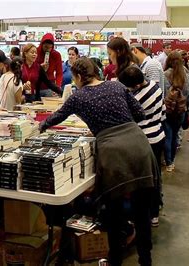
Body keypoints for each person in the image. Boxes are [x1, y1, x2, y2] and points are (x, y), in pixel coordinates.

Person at [40, 58, 157, 266]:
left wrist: (40, 127)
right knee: (142, 211)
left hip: (113, 153)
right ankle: (146, 260)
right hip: (140, 146)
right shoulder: (117, 85)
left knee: (115, 214)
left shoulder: (79, 96)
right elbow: (139, 113)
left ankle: (115, 261)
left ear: (77, 77)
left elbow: (57, 117)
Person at [118, 66, 166, 227]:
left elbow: (127, 119)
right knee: (155, 177)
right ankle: (154, 212)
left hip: (145, 141)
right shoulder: (155, 86)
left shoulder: (138, 97)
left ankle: (147, 214)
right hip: (158, 135)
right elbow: (163, 112)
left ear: (136, 86)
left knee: (143, 181)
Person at [163, 52, 189, 172]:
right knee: (175, 136)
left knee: (167, 136)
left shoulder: (164, 75)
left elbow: (162, 93)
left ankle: (168, 161)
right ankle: (172, 161)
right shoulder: (186, 76)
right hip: (180, 111)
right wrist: (188, 111)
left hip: (167, 110)